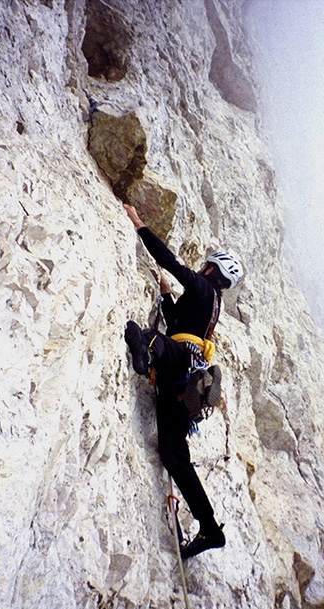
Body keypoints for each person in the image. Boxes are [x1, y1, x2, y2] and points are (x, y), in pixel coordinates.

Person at [122, 203, 244, 559]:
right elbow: (178, 323)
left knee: (142, 334)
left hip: (176, 364)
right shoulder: (211, 302)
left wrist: (139, 222)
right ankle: (209, 529)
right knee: (174, 458)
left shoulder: (204, 289)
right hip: (181, 385)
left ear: (212, 269)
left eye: (207, 266)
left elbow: (172, 262)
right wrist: (163, 294)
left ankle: (145, 354)